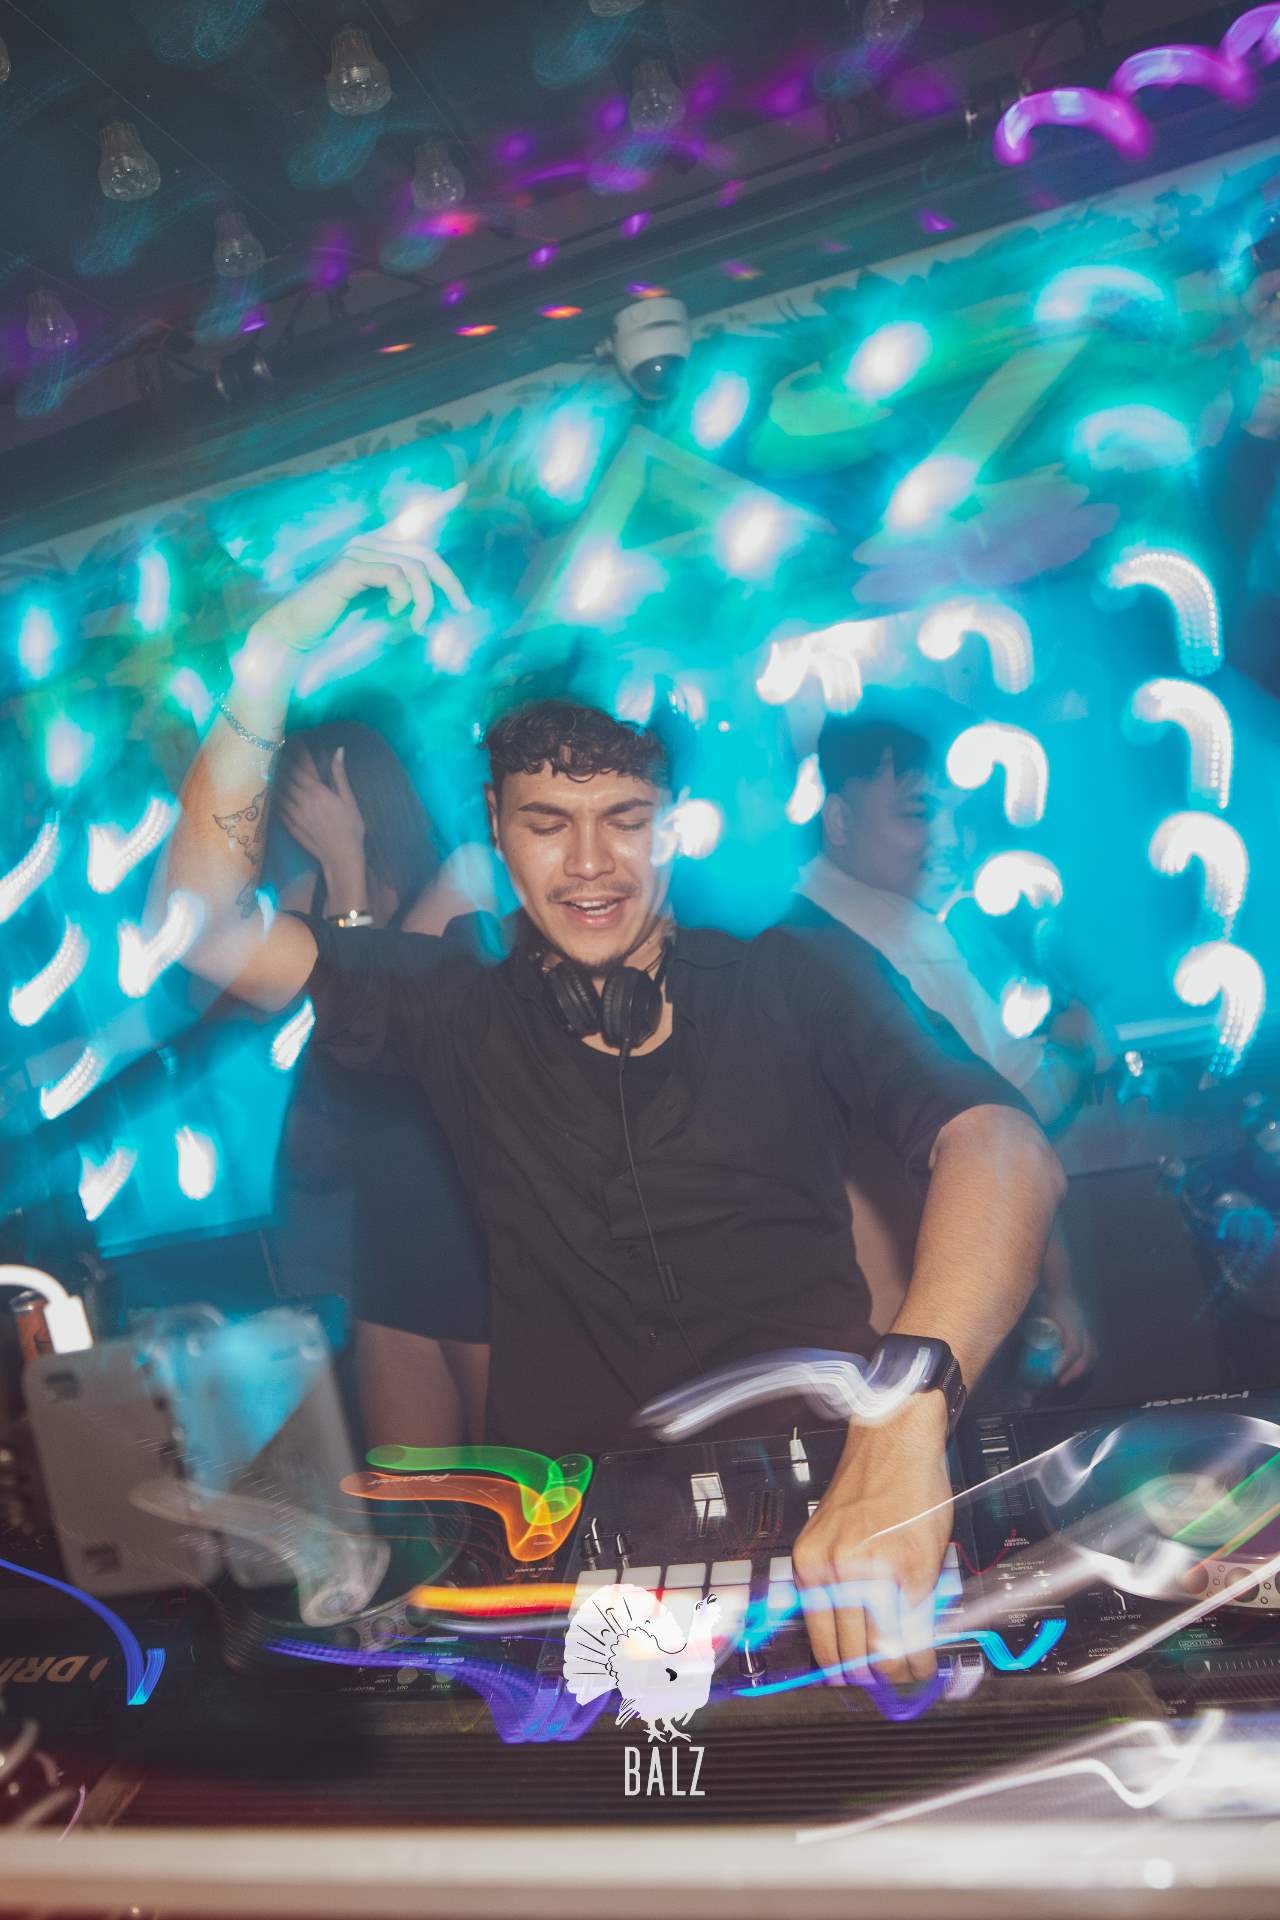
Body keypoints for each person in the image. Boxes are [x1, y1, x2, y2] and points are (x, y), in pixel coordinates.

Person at [164, 506, 1065, 1686]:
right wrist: (266, 658)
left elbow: (1001, 1145)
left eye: (621, 821)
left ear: (669, 831)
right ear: (498, 837)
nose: (589, 863)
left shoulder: (794, 975)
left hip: (832, 1527)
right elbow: (204, 929)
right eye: (547, 825)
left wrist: (903, 1420)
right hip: (579, 1570)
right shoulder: (451, 1001)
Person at [792, 701, 1103, 1384]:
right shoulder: (900, 942)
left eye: (954, 816)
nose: (948, 839)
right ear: (839, 819)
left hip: (838, 1339)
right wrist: (1076, 1048)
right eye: (918, 813)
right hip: (928, 1333)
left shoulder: (780, 931)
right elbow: (1015, 1116)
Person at [265, 718, 491, 1447]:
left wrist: (347, 869)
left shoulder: (463, 876)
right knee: (412, 1500)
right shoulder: (307, 893)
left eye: (306, 790)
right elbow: (221, 983)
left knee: (524, 1494)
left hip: (473, 1230)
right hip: (386, 1236)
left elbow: (382, 1034)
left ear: (355, 789)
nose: (292, 810)